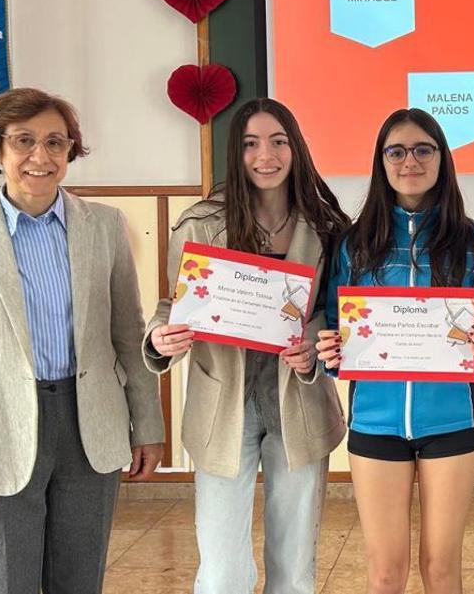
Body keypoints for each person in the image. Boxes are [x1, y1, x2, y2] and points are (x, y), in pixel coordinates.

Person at [0, 87, 164, 593]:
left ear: (69, 152)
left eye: (55, 143)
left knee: (79, 584)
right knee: (5, 585)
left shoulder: (104, 227)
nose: (40, 157)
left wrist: (147, 423)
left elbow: (128, 333)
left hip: (90, 430)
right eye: (23, 141)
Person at [144, 98, 349, 594]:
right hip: (223, 404)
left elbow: (333, 313)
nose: (266, 156)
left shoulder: (326, 227)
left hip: (297, 401)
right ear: (235, 153)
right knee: (220, 572)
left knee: (295, 564)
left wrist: (311, 345)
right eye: (251, 144)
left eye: (278, 142)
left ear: (295, 148)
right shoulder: (199, 223)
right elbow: (175, 304)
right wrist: (158, 338)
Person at [316, 108, 474, 594]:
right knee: (385, 572)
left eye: (424, 149)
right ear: (381, 162)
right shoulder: (353, 244)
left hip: (453, 423)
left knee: (441, 568)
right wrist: (330, 349)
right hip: (375, 422)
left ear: (442, 159)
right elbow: (335, 326)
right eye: (396, 151)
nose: (410, 160)